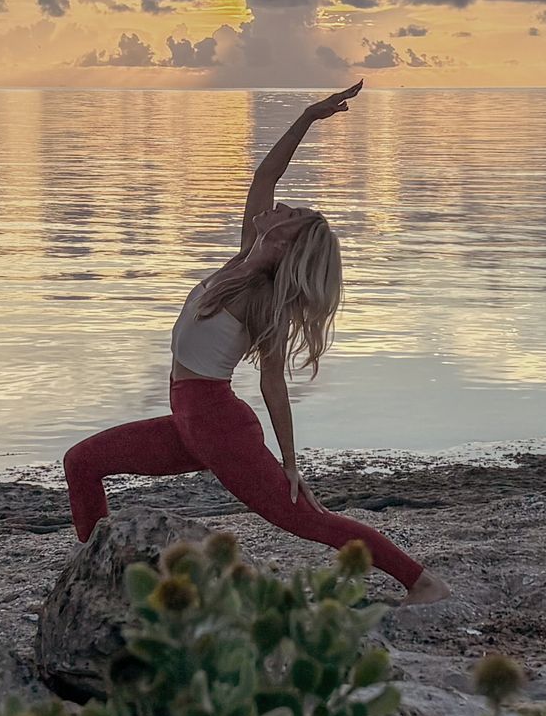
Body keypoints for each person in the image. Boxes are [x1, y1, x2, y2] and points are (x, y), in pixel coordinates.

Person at [62, 80, 451, 605]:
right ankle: (96, 572)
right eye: (285, 208)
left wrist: (290, 462)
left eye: (288, 215)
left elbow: (272, 384)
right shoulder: (245, 255)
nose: (279, 206)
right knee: (81, 463)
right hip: (190, 418)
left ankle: (422, 583)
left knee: (307, 521)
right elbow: (267, 173)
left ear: (288, 242)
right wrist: (309, 118)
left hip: (217, 422)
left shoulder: (264, 300)